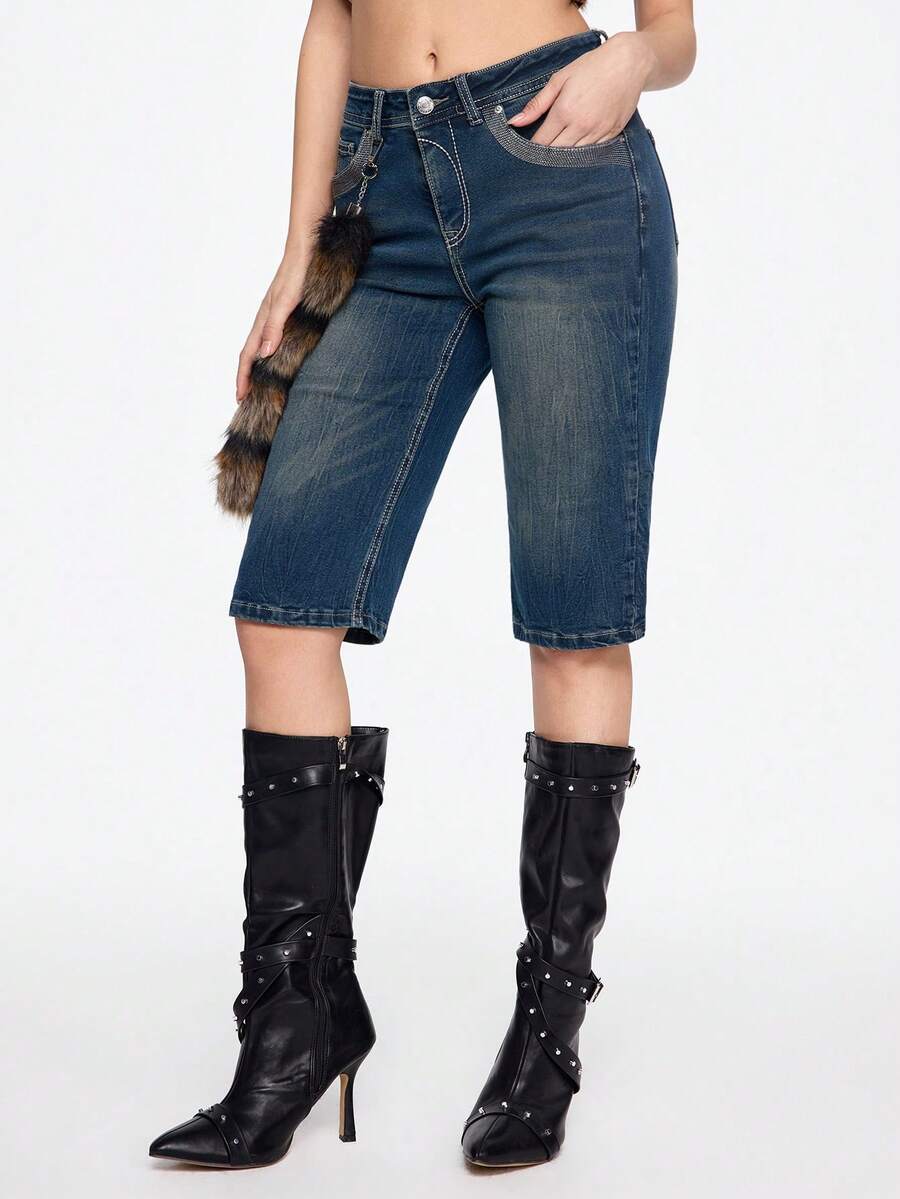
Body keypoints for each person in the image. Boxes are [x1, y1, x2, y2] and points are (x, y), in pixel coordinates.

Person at [149, 0, 696, 1171]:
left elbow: (677, 32)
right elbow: (331, 21)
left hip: (561, 180)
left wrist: (633, 63)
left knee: (574, 614)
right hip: (382, 193)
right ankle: (298, 1019)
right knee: (281, 609)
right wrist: (297, 250)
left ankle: (547, 1032)